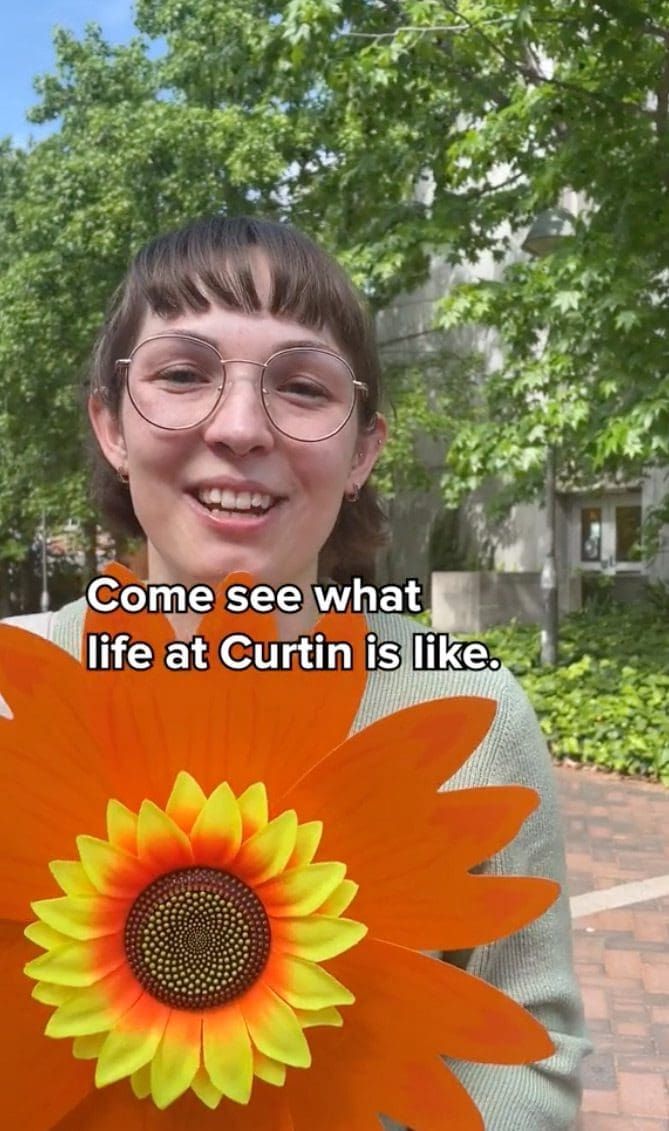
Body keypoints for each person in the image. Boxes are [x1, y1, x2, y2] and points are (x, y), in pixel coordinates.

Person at [4, 214, 590, 1127]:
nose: (239, 427)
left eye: (303, 386)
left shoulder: (463, 703)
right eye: (183, 373)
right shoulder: (14, 682)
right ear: (111, 424)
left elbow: (524, 1052)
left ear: (362, 450)